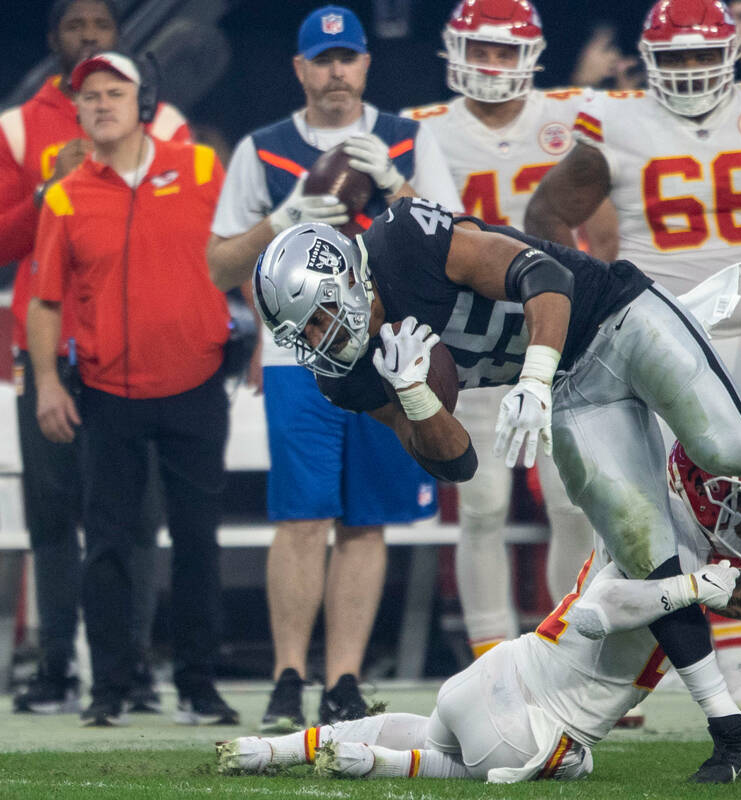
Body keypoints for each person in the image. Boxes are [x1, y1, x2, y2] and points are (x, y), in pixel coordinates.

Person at [251, 191, 741, 780]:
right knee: (641, 547)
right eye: (301, 331)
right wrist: (416, 398)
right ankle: (729, 733)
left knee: (727, 444)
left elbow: (546, 275)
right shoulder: (344, 374)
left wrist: (531, 376)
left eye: (318, 313)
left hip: (611, 315)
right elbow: (456, 466)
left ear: (347, 276)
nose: (318, 337)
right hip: (571, 389)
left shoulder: (404, 239)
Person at [523, 0, 741, 725]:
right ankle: (616, 670)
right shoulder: (617, 120)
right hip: (654, 342)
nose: (690, 71)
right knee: (642, 509)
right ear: (651, 61)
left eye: (702, 56)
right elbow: (545, 215)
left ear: (729, 54)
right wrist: (589, 304)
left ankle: (734, 673)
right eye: (674, 58)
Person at [216, 458, 741, 784]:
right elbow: (605, 611)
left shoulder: (668, 535)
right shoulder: (667, 547)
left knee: (424, 729)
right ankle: (376, 767)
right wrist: (690, 586)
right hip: (531, 720)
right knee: (543, 763)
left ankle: (266, 750)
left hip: (497, 676)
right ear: (700, 491)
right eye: (738, 498)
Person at [206, 5, 462, 732]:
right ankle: (289, 675)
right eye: (323, 59)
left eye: (347, 56)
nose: (336, 71)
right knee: (301, 516)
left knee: (366, 521)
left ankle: (343, 679)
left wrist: (399, 190)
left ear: (366, 63)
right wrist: (281, 220)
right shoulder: (265, 148)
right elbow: (219, 262)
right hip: (299, 354)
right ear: (299, 69)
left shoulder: (411, 138)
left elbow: (459, 243)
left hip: (386, 350)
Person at [26, 52, 236, 727]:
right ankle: (110, 689)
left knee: (200, 540)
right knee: (108, 543)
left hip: (197, 381)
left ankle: (199, 687)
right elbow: (44, 301)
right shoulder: (64, 195)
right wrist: (46, 384)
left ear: (143, 100)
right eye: (89, 96)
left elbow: (243, 253)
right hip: (107, 390)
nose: (101, 104)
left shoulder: (203, 166)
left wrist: (264, 336)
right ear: (78, 110)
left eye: (114, 92)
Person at [0, 0, 188, 715]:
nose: (87, 36)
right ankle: (53, 668)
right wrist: (52, 188)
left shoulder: (160, 123)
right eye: (74, 26)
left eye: (100, 26)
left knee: (135, 517)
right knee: (53, 517)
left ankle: (132, 667)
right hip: (46, 346)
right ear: (52, 40)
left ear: (119, 37)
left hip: (128, 346)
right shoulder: (17, 129)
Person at [399, 0, 601, 661]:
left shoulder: (569, 117)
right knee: (482, 505)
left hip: (554, 330)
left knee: (572, 506)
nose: (490, 65)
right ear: (455, 51)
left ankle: (563, 647)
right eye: (479, 50)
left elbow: (602, 224)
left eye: (503, 51)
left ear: (531, 57)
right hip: (472, 339)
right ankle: (491, 659)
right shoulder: (422, 129)